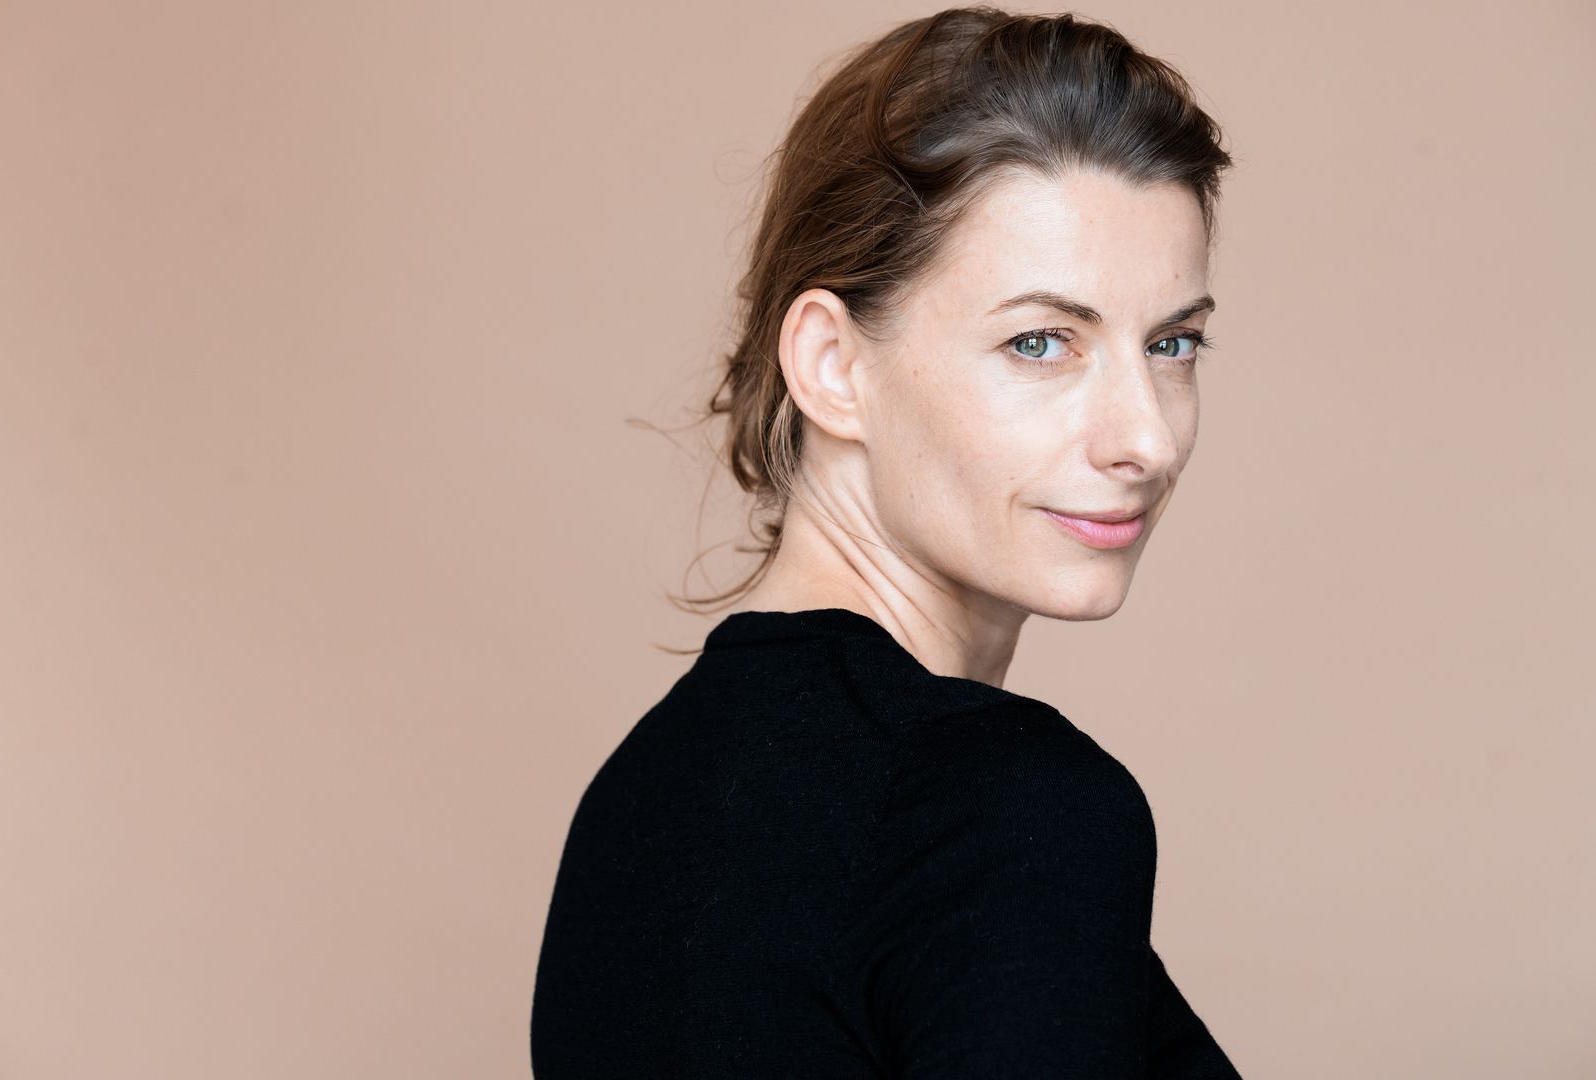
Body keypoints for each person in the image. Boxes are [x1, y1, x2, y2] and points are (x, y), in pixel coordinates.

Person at [532, 7, 1243, 1075]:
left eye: (1173, 343)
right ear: (831, 364)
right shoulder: (1005, 807)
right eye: (1040, 342)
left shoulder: (639, 802)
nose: (1145, 439)